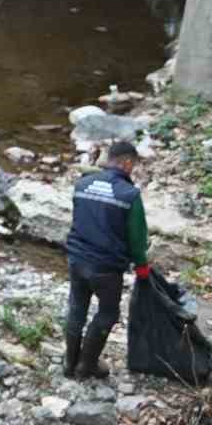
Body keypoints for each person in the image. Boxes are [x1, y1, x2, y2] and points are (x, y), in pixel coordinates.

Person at [64, 140, 149, 379]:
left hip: (77, 259)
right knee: (108, 313)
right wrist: (142, 267)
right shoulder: (129, 195)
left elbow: (81, 221)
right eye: (133, 165)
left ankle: (69, 363)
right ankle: (87, 365)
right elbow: (137, 237)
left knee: (77, 308)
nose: (133, 170)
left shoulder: (82, 185)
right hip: (106, 268)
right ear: (126, 162)